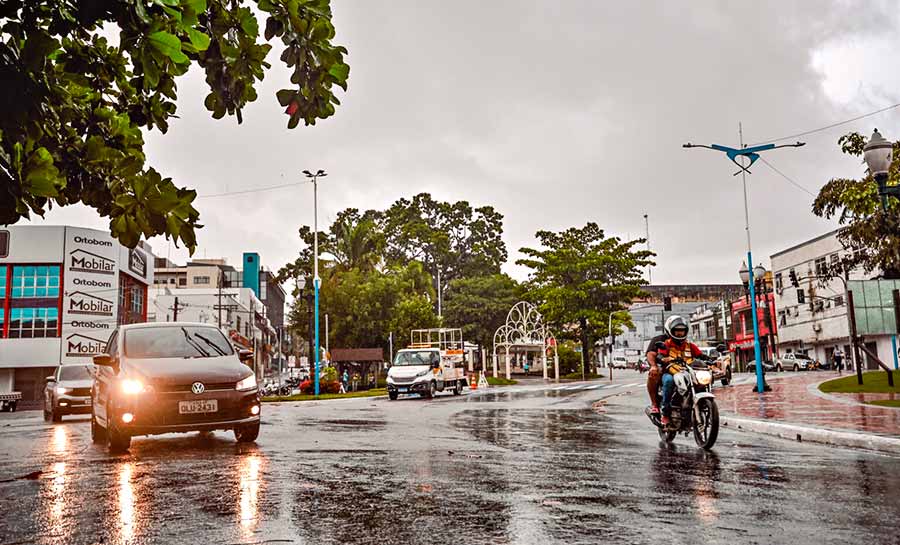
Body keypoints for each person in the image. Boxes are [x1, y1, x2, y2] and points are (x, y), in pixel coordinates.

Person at [646, 315, 705, 426]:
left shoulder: (689, 344)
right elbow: (655, 355)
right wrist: (658, 362)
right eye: (677, 331)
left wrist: (712, 360)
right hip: (669, 372)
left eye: (682, 331)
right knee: (668, 381)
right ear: (670, 330)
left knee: (701, 380)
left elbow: (700, 355)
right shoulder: (664, 343)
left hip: (687, 372)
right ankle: (665, 412)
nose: (679, 334)